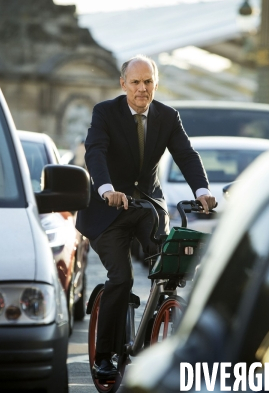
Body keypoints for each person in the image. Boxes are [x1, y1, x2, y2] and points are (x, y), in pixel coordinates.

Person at [75, 54, 217, 379]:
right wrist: (107, 188)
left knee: (171, 268)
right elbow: (94, 151)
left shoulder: (167, 116)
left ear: (156, 84)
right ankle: (105, 355)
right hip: (108, 212)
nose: (142, 89)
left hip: (148, 209)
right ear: (123, 83)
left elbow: (185, 153)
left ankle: (158, 335)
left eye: (148, 82)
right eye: (136, 82)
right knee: (121, 278)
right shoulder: (105, 113)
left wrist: (202, 191)